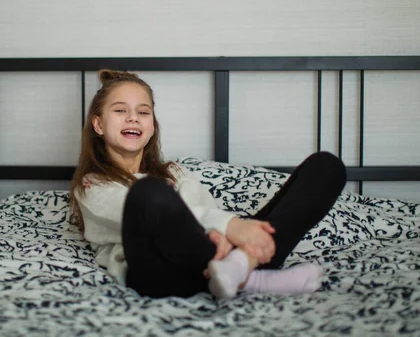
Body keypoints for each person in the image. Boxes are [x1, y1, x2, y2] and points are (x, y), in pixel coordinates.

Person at [70, 69, 347, 299]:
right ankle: (252, 275)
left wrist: (223, 233)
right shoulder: (92, 184)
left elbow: (202, 208)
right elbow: (156, 217)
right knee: (149, 192)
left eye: (143, 112)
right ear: (98, 125)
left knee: (326, 167)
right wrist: (230, 226)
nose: (133, 118)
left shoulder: (175, 172)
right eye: (120, 110)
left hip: (208, 254)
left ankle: (236, 268)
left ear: (152, 125)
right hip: (159, 275)